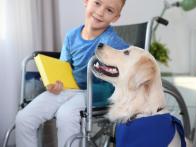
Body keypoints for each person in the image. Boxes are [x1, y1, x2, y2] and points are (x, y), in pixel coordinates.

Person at [15, 0, 128, 147]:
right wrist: (54, 82)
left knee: (66, 114)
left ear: (116, 18)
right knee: (24, 118)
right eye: (97, 3)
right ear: (86, 1)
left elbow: (130, 60)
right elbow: (63, 69)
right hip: (70, 88)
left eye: (109, 10)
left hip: (98, 91)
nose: (100, 12)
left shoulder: (112, 41)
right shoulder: (71, 36)